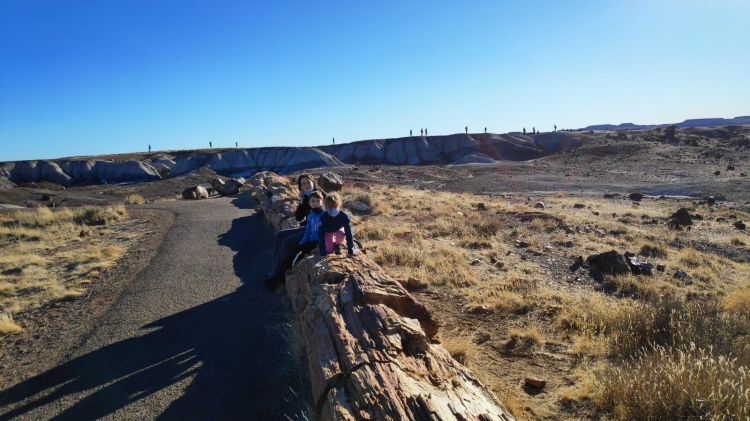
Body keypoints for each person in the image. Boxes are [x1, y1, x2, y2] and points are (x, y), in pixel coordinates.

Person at [265, 174, 322, 286]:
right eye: (303, 184)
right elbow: (298, 218)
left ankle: (276, 274)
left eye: (307, 182)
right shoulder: (306, 197)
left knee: (287, 242)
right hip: (306, 228)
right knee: (280, 235)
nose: (306, 185)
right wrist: (301, 203)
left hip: (315, 233)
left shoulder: (320, 197)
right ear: (300, 187)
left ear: (313, 182)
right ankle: (275, 267)